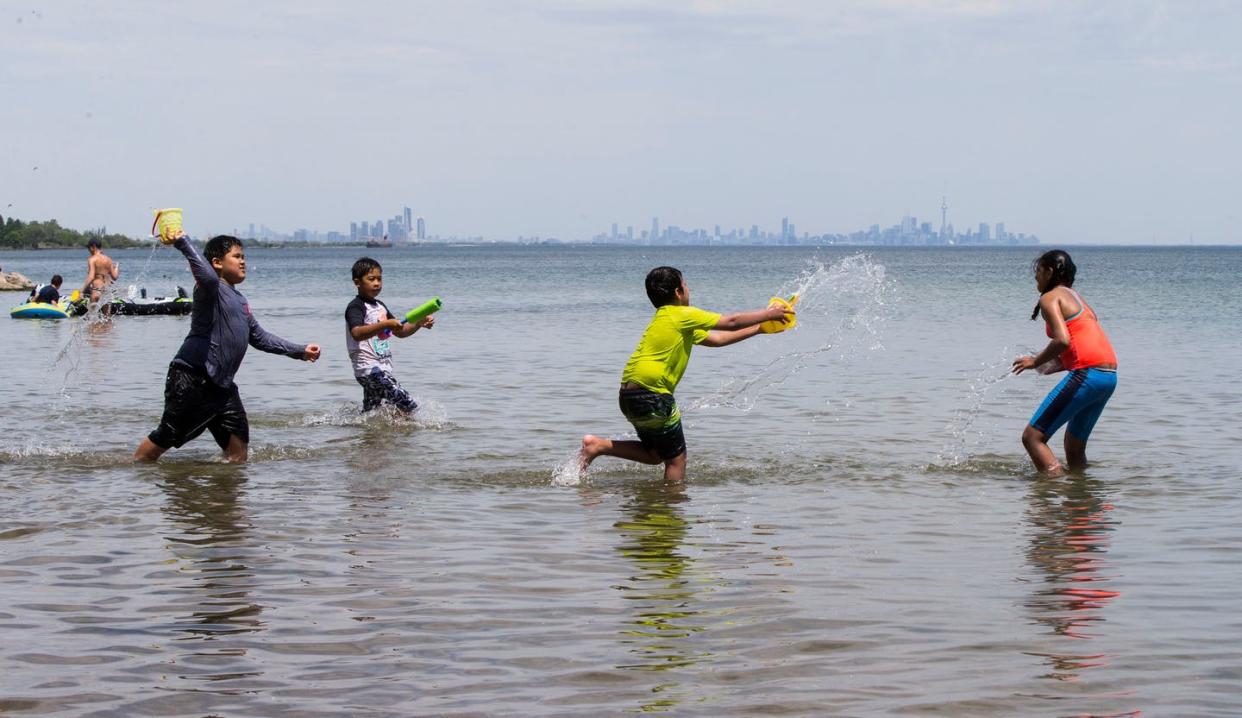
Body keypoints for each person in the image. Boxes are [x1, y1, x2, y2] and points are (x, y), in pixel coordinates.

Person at [579, 266, 795, 481]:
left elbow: (719, 339)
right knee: (676, 459)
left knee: (655, 455)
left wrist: (760, 328)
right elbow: (731, 322)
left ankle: (597, 445)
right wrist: (769, 313)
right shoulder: (681, 314)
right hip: (653, 394)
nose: (688, 289)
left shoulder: (667, 320)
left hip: (629, 395)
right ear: (678, 293)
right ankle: (672, 504)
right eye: (685, 285)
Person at [134, 231, 321, 463]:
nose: (243, 261)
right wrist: (183, 242)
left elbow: (259, 337)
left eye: (244, 256)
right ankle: (135, 467)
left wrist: (299, 351)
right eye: (237, 256)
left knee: (239, 449)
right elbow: (209, 277)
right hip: (192, 377)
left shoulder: (240, 300)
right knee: (169, 433)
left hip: (222, 387)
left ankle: (226, 494)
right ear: (217, 263)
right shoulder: (208, 290)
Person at [1012, 249, 1118, 475]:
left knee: (1032, 437)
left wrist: (1035, 361)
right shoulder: (1078, 298)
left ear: (1049, 272)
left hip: (1088, 374)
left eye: (1038, 271)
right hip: (1108, 376)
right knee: (1074, 448)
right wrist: (1051, 365)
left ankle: (1053, 494)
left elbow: (1062, 340)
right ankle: (1081, 500)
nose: (1035, 277)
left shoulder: (1049, 298)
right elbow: (1079, 345)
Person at [345, 257, 434, 414]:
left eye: (379, 279)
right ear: (357, 282)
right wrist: (385, 324)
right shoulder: (356, 307)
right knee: (407, 404)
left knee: (372, 413)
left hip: (382, 368)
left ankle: (367, 436)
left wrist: (418, 324)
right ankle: (406, 436)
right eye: (371, 279)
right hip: (369, 370)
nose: (377, 283)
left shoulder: (380, 306)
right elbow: (357, 333)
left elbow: (400, 332)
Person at [80, 238, 119, 303]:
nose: (89, 251)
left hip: (96, 291)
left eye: (89, 248)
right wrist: (117, 267)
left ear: (93, 247)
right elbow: (115, 277)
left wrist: (82, 290)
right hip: (106, 292)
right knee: (107, 313)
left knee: (92, 313)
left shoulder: (92, 259)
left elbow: (91, 277)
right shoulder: (109, 259)